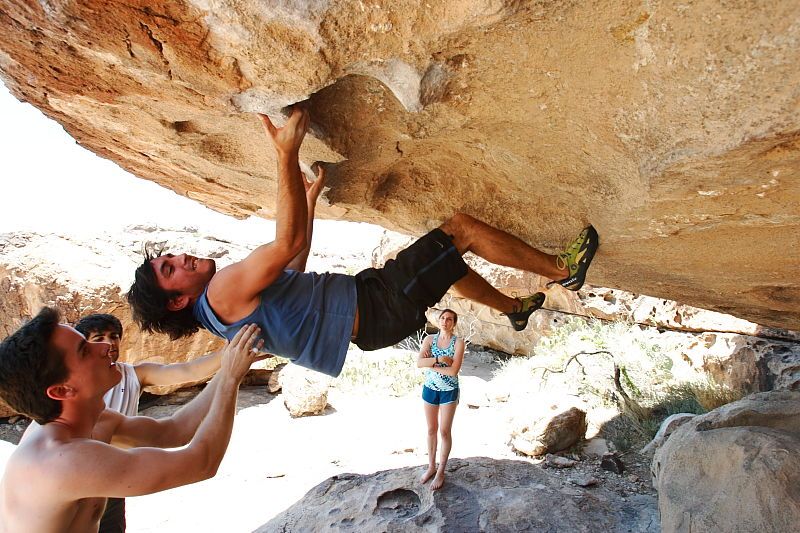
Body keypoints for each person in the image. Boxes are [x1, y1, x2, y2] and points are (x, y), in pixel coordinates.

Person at [127, 107, 599, 379]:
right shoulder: (220, 291)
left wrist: (308, 203)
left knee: (444, 263)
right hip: (377, 305)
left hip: (372, 318)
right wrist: (285, 154)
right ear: (178, 302)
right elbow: (285, 240)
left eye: (170, 256)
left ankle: (513, 310)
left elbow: (292, 263)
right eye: (171, 269)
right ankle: (563, 269)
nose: (182, 258)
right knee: (460, 231)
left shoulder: (223, 315)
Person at [0, 308, 263, 533]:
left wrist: (234, 364)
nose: (105, 348)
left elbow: (175, 430)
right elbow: (202, 463)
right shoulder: (63, 461)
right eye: (85, 350)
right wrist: (229, 378)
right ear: (62, 391)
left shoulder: (92, 421)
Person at [73, 313, 225, 533]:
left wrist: (231, 354)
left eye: (114, 336)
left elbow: (189, 371)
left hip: (115, 477)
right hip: (78, 475)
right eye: (99, 338)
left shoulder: (134, 374)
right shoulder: (71, 384)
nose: (109, 343)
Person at [417, 308, 465, 490]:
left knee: (444, 431)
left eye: (450, 319)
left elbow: (453, 371)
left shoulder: (458, 343)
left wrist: (432, 363)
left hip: (449, 391)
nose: (445, 321)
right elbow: (419, 362)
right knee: (431, 429)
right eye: (443, 318)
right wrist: (440, 359)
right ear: (438, 321)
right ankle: (431, 466)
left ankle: (441, 470)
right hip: (430, 389)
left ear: (454, 323)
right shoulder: (429, 340)